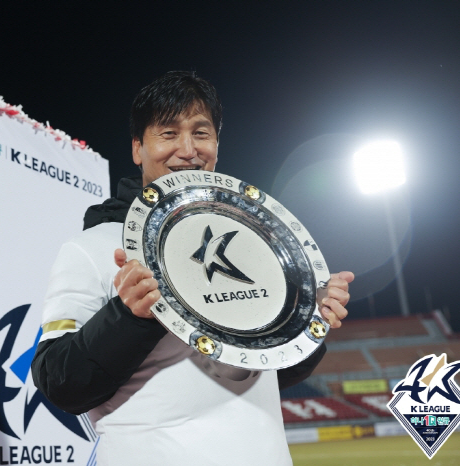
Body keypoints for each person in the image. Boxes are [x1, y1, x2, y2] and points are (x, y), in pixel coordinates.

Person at [32, 71, 354, 465]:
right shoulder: (90, 247)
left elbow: (269, 373)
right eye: (168, 134)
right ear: (137, 149)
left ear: (216, 144)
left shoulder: (254, 244)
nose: (188, 150)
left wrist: (304, 317)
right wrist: (128, 317)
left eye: (201, 133)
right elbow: (60, 384)